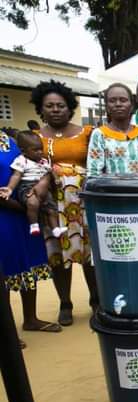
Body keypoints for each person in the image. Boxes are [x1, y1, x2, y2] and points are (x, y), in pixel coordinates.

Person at [31, 80, 98, 326]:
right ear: (41, 109)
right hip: (52, 206)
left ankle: (96, 301)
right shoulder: (35, 138)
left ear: (69, 107)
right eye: (49, 106)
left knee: (90, 255)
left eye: (60, 105)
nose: (55, 109)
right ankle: (65, 303)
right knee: (58, 256)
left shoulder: (87, 133)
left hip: (83, 203)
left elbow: (95, 162)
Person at [0, 130, 58, 334]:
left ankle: (31, 319)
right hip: (6, 214)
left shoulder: (11, 140)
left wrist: (39, 190)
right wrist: (23, 207)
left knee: (27, 263)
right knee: (4, 269)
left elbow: (35, 167)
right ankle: (6, 333)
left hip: (25, 213)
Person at [1, 131, 67, 238]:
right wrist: (10, 188)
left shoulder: (43, 161)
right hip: (27, 187)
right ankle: (34, 225)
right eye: (36, 150)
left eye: (41, 149)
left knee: (51, 208)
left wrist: (54, 179)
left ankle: (55, 229)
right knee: (33, 203)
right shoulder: (22, 160)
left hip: (44, 188)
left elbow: (49, 171)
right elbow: (16, 175)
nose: (40, 152)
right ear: (24, 151)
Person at [87, 83, 138, 176]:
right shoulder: (99, 134)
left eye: (123, 100)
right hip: (111, 185)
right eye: (112, 101)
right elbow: (93, 172)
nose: (118, 104)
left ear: (132, 106)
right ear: (107, 107)